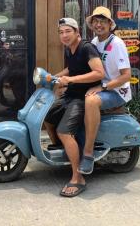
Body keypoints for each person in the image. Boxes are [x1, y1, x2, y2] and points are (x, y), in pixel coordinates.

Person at [43, 17, 104, 197]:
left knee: (64, 132)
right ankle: (63, 151)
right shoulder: (69, 49)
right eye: (61, 32)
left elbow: (99, 73)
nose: (64, 35)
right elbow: (72, 69)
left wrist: (70, 80)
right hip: (71, 94)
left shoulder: (87, 48)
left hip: (82, 97)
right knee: (46, 116)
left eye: (68, 31)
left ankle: (78, 178)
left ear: (77, 32)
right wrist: (54, 77)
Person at [79, 6, 132, 175]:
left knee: (91, 100)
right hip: (102, 88)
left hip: (117, 92)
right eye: (96, 21)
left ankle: (87, 154)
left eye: (103, 21)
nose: (98, 25)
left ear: (110, 25)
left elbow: (126, 76)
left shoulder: (117, 44)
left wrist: (102, 87)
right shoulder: (94, 43)